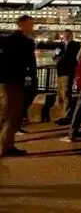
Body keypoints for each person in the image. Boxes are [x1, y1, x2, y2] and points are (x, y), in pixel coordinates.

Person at [0, 15, 36, 158]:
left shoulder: (5, 40)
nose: (32, 27)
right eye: (30, 24)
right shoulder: (27, 43)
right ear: (21, 24)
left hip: (4, 81)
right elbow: (30, 64)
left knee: (7, 113)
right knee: (11, 115)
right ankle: (5, 148)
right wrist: (32, 80)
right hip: (16, 82)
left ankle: (9, 145)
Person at [44, 29, 81, 125]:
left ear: (71, 35)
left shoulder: (75, 45)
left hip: (68, 72)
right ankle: (61, 115)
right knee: (60, 95)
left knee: (65, 93)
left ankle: (66, 116)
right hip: (60, 72)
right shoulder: (60, 45)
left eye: (68, 35)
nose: (66, 36)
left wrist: (61, 58)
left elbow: (73, 57)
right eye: (65, 35)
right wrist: (56, 58)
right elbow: (55, 56)